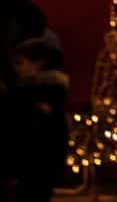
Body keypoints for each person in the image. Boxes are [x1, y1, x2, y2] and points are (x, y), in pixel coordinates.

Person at [7, 36, 68, 202]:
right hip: (41, 163)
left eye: (21, 63)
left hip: (34, 163)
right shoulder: (53, 89)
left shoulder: (36, 91)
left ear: (38, 64)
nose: (16, 68)